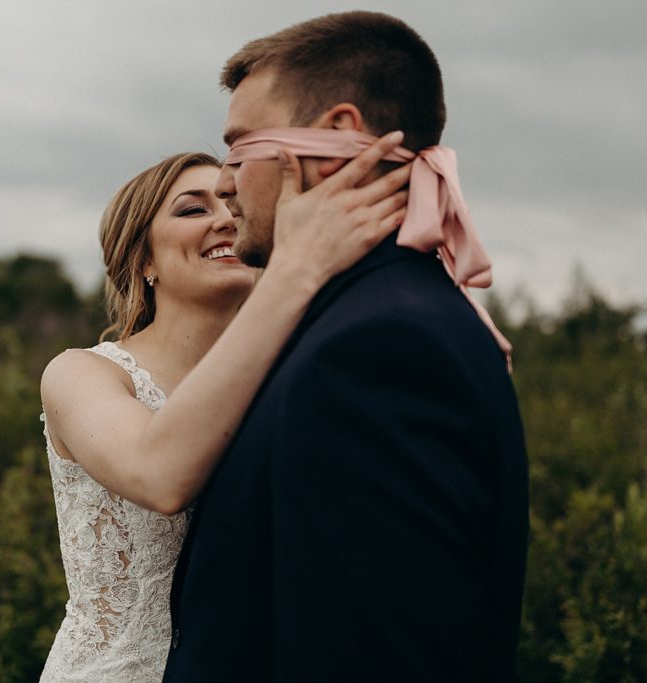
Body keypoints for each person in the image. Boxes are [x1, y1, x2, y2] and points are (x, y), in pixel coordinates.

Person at [163, 11, 529, 682]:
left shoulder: (377, 348)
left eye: (240, 149)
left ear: (336, 135)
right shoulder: (365, 316)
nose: (223, 182)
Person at [39, 141, 411, 680]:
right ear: (142, 259)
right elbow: (159, 475)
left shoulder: (291, 379)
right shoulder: (83, 375)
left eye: (233, 206)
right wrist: (296, 273)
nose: (225, 220)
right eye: (193, 209)